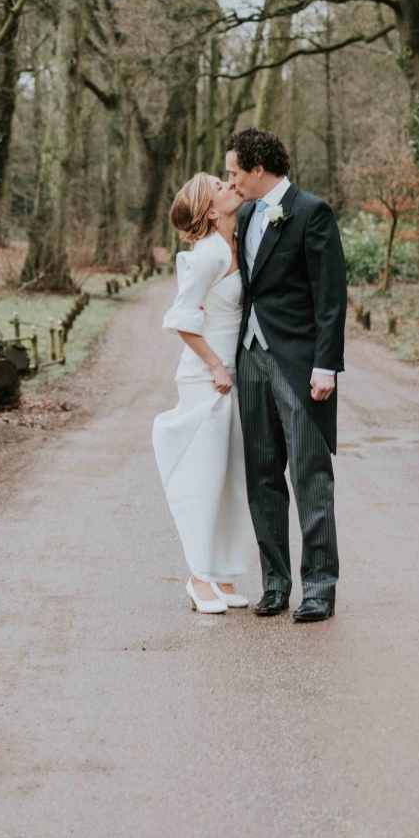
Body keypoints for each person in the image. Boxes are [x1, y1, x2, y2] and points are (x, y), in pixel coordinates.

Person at [226, 128, 347, 623]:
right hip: (251, 357)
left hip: (298, 364)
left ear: (258, 168)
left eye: (234, 171)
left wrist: (326, 365)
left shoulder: (310, 212)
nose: (230, 180)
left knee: (310, 475)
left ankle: (319, 588)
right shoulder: (248, 213)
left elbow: (331, 296)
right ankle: (274, 584)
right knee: (261, 475)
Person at [152, 173, 259, 614]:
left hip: (233, 374)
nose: (229, 183)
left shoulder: (239, 242)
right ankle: (198, 577)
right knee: (205, 477)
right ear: (212, 210)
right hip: (207, 378)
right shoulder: (206, 256)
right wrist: (215, 365)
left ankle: (223, 572)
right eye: (220, 185)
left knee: (232, 477)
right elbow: (180, 318)